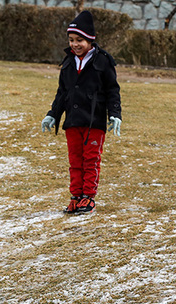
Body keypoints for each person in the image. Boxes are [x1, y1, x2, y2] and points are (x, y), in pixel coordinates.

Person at [41, 10, 122, 215]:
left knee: (91, 160)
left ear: (90, 40)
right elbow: (62, 93)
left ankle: (88, 197)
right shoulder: (68, 62)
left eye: (80, 40)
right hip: (73, 122)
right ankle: (76, 197)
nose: (75, 44)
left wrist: (115, 114)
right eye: (71, 40)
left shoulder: (103, 61)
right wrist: (53, 114)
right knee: (75, 161)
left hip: (94, 122)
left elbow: (113, 90)